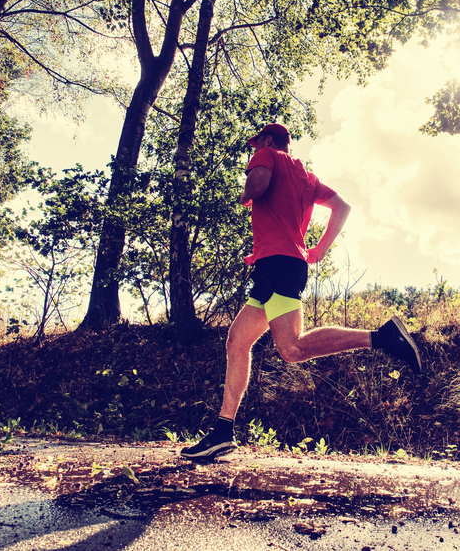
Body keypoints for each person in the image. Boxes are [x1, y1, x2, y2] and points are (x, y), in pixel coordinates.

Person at [180, 123, 422, 461]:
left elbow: (258, 185)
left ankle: (382, 337)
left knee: (292, 348)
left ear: (266, 141)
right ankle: (222, 433)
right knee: (237, 342)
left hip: (279, 264)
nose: (254, 153)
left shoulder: (267, 156)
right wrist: (319, 249)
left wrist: (246, 193)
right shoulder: (305, 177)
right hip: (275, 265)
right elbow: (343, 207)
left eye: (256, 147)